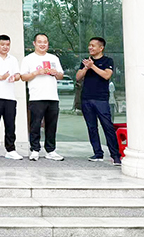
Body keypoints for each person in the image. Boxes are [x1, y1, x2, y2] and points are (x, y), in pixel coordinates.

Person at [76, 37, 121, 165]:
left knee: (108, 127)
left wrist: (93, 66)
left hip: (101, 99)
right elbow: (78, 77)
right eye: (89, 45)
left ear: (101, 48)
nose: (90, 47)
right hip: (86, 98)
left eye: (93, 45)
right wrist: (86, 67)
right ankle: (97, 153)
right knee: (92, 127)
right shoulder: (86, 61)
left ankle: (115, 156)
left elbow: (107, 75)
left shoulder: (107, 61)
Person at [21, 33, 65, 161]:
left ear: (48, 44)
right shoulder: (28, 59)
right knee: (35, 125)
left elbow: (61, 76)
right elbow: (23, 77)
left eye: (45, 42)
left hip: (52, 97)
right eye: (39, 42)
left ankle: (51, 150)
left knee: (51, 125)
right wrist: (37, 72)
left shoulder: (53, 58)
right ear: (34, 43)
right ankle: (35, 150)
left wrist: (55, 73)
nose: (42, 44)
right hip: (36, 97)